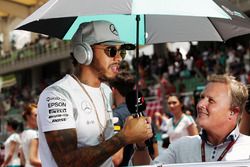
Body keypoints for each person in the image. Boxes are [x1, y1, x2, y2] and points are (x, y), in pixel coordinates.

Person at [37, 20, 153, 167]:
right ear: (84, 53)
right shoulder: (57, 95)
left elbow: (114, 159)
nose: (119, 58)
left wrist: (139, 144)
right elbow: (68, 162)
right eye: (111, 51)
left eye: (121, 51)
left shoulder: (105, 91)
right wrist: (124, 137)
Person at [132, 74, 250, 165]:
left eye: (211, 100)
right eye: (202, 98)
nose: (200, 105)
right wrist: (141, 147)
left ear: (232, 112)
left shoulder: (247, 149)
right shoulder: (180, 147)